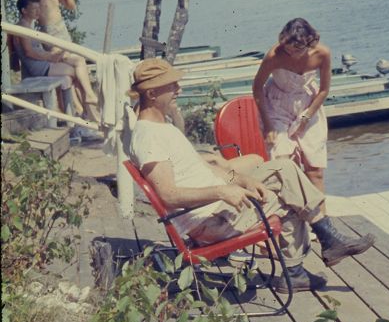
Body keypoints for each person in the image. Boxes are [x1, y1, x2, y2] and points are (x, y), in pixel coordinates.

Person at [128, 58, 375, 293]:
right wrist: (221, 191)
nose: (178, 89)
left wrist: (241, 179)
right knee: (290, 192)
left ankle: (320, 244)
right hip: (211, 222)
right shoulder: (149, 137)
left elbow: (202, 170)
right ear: (151, 94)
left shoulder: (162, 127)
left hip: (216, 210)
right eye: (171, 85)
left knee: (285, 170)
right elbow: (169, 195)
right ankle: (316, 249)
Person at [252, 18, 331, 192]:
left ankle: (321, 218)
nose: (291, 54)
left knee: (315, 170)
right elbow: (257, 88)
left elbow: (324, 90)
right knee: (286, 166)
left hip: (309, 105)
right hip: (277, 105)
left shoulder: (322, 53)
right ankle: (295, 216)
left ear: (309, 43)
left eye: (297, 50)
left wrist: (307, 115)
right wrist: (268, 126)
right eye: (287, 50)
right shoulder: (274, 55)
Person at [13, 0, 100, 126]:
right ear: (24, 10)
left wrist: (53, 53)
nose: (38, 11)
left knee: (78, 61)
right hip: (38, 67)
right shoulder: (22, 28)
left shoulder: (28, 26)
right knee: (75, 72)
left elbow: (37, 49)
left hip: (43, 62)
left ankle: (84, 110)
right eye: (34, 8)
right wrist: (50, 57)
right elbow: (28, 52)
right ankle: (84, 111)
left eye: (39, 8)